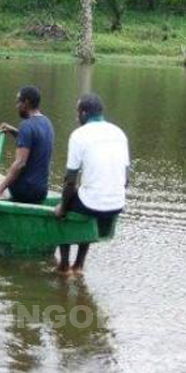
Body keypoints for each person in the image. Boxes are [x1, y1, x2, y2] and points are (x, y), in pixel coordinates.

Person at [55, 93, 130, 276]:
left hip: (93, 204)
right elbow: (126, 179)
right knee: (87, 196)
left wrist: (62, 208)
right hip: (117, 205)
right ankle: (79, 266)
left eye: (77, 112)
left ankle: (64, 267)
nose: (76, 116)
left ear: (84, 113)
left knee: (62, 209)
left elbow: (70, 180)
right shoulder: (119, 132)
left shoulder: (79, 135)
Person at [0, 86, 54, 205]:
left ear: (26, 103)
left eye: (18, 102)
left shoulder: (26, 125)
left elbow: (20, 164)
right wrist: (13, 131)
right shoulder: (47, 123)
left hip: (25, 192)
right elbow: (34, 142)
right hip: (41, 191)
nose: (16, 106)